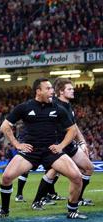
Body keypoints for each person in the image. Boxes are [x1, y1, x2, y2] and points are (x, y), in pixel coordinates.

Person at [0, 78, 86, 219]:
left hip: (51, 151)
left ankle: (72, 211)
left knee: (77, 177)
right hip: (31, 151)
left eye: (51, 88)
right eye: (48, 88)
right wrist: (17, 144)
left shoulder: (58, 108)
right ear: (38, 91)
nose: (52, 91)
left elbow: (72, 130)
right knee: (6, 177)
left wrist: (61, 146)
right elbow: (4, 126)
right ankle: (4, 211)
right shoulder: (24, 107)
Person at [30, 78, 94, 210]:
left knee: (88, 168)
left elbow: (74, 126)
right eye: (69, 89)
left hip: (69, 145)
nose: (73, 91)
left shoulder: (68, 106)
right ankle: (37, 201)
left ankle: (78, 198)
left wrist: (82, 142)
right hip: (58, 145)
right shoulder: (53, 105)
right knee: (53, 172)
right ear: (61, 92)